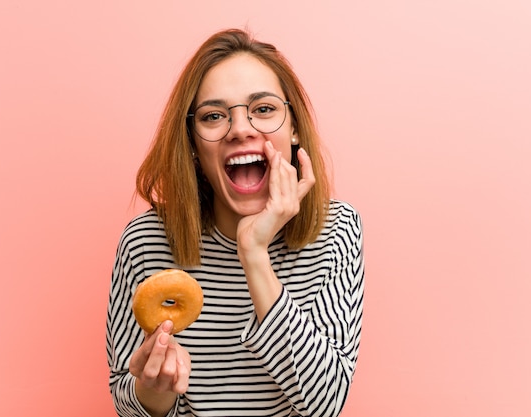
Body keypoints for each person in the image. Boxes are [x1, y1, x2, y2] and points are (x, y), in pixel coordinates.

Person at [106, 28, 364, 417]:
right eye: (213, 116)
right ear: (193, 144)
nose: (241, 129)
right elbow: (126, 400)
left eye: (263, 109)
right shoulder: (146, 241)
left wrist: (254, 253)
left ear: (293, 127)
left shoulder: (336, 230)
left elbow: (324, 404)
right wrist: (154, 391)